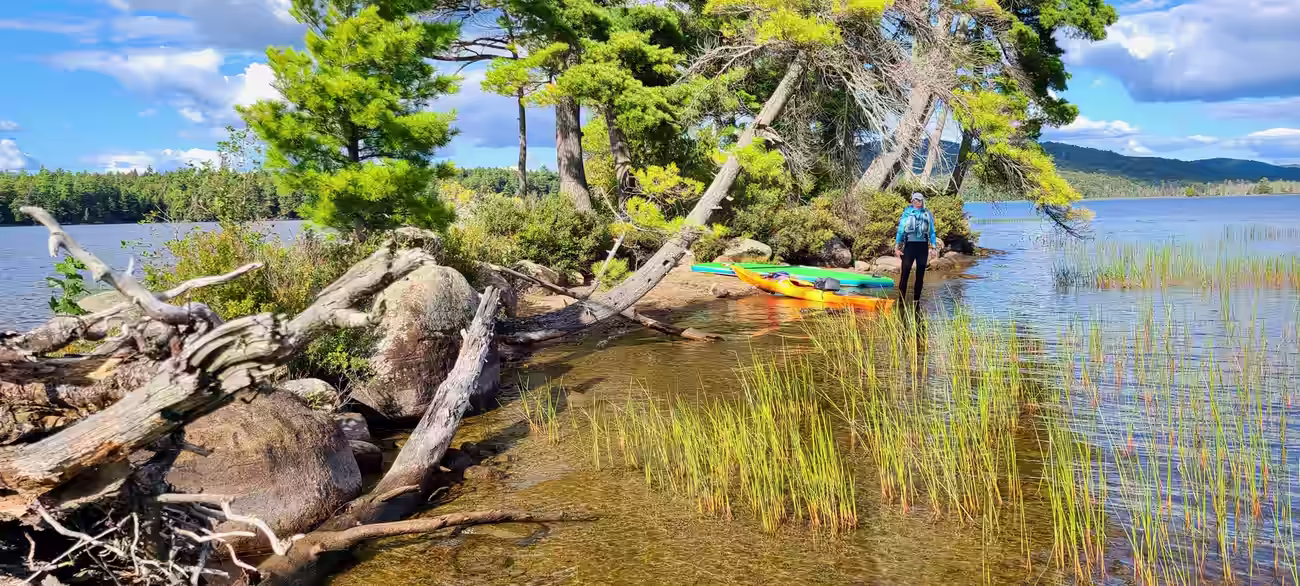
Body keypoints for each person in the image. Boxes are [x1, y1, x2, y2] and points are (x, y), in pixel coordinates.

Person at [894, 192, 938, 302]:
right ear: (911, 201)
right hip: (909, 246)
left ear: (922, 201)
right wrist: (896, 247)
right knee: (905, 274)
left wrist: (933, 247)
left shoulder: (927, 214)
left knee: (920, 275)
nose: (916, 201)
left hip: (922, 247)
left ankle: (916, 301)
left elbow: (932, 231)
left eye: (918, 200)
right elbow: (900, 230)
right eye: (914, 200)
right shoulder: (907, 213)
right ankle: (901, 301)